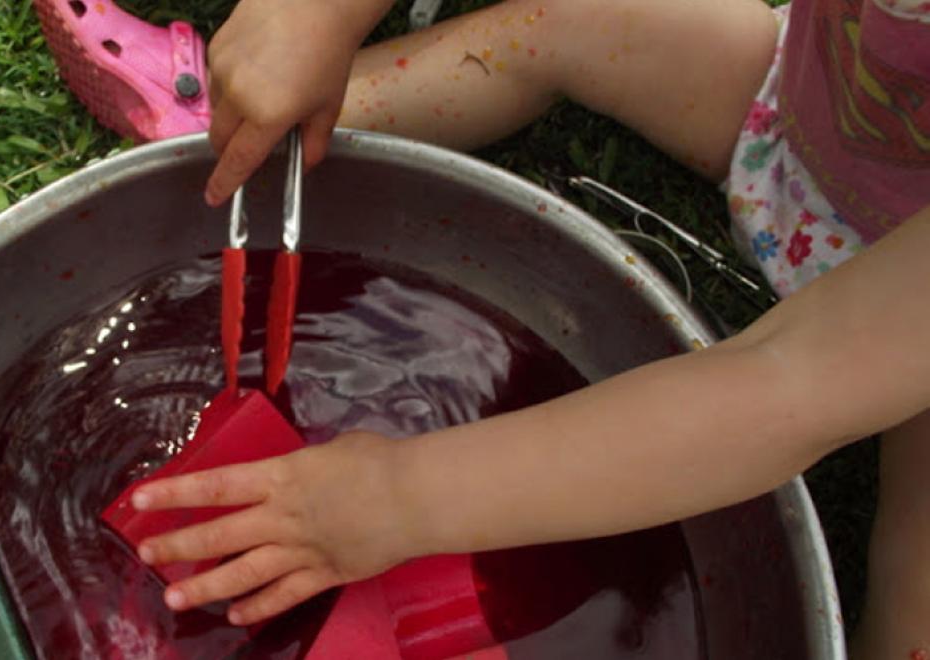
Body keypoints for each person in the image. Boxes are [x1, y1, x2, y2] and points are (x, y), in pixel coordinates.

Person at [144, 0, 930, 656]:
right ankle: (250, 128)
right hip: (821, 120)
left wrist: (399, 497)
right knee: (572, 14)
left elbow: (787, 384)